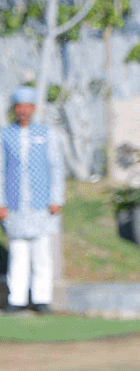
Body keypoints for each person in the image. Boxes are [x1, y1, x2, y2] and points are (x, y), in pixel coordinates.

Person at [2, 86, 63, 313]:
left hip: (41, 203)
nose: (24, 111)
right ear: (15, 109)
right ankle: (16, 299)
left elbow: (56, 167)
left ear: (34, 108)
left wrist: (56, 198)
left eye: (28, 106)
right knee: (17, 253)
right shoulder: (5, 135)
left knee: (41, 254)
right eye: (20, 107)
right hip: (15, 203)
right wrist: (1, 202)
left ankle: (41, 298)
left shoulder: (46, 134)